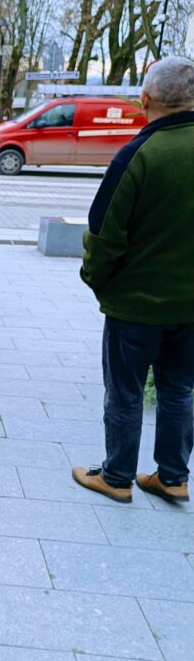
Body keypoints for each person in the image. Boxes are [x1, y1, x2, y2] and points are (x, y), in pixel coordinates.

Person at [72, 56, 194, 505]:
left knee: (124, 390)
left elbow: (105, 232)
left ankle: (118, 476)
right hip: (190, 307)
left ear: (145, 100)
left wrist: (97, 280)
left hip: (136, 304)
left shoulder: (137, 154)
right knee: (179, 387)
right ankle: (173, 475)